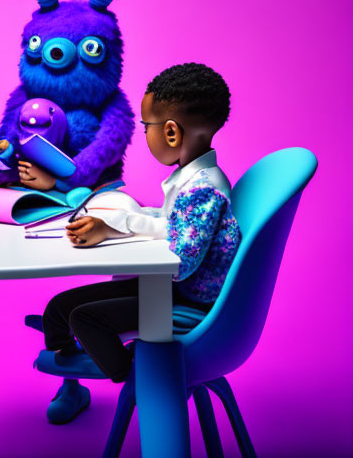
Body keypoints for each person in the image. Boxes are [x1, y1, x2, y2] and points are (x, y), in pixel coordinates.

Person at [38, 62, 240, 418]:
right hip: (171, 288)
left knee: (86, 319)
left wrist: (125, 226)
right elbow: (176, 224)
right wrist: (117, 225)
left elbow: (181, 260)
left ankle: (137, 375)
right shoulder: (191, 180)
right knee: (61, 306)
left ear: (173, 133)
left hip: (184, 297)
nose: (144, 134)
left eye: (148, 127)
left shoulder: (204, 188)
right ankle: (70, 379)